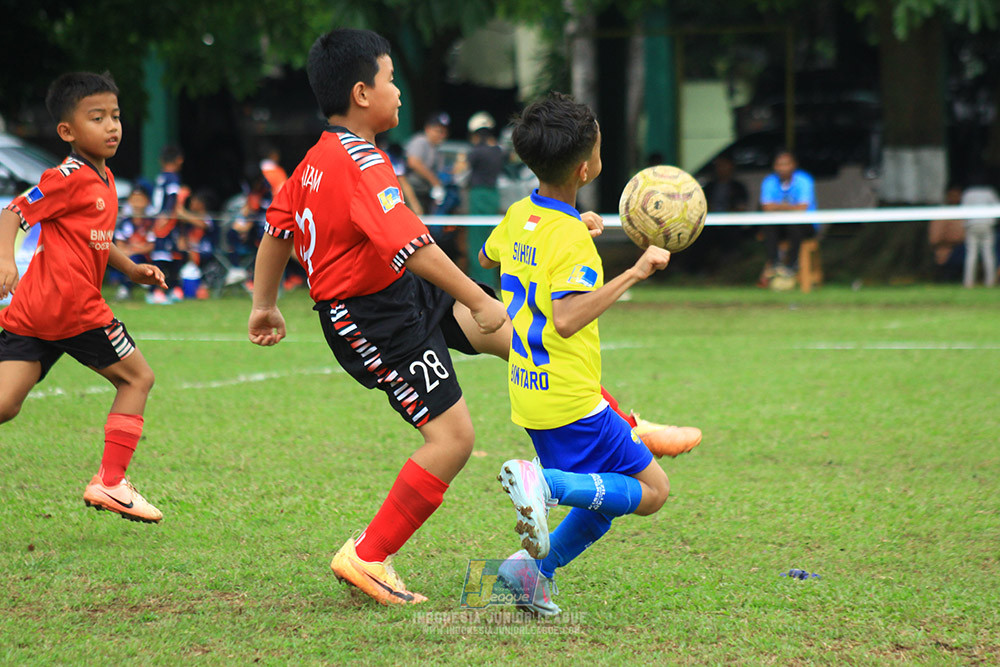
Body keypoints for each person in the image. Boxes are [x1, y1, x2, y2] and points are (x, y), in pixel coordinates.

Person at [247, 29, 698, 607]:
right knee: (453, 439)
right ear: (362, 93)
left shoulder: (317, 159)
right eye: (391, 80)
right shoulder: (362, 164)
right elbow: (413, 246)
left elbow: (276, 231)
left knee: (524, 339)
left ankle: (625, 427)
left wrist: (264, 304)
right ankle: (368, 555)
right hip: (370, 316)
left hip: (400, 291)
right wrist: (479, 299)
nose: (399, 91)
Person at [479, 92, 696, 617]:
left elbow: (489, 256)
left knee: (601, 503)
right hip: (572, 400)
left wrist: (571, 224)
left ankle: (530, 573)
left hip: (529, 391)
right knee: (652, 490)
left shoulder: (521, 214)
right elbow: (568, 317)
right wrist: (634, 272)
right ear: (584, 168)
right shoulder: (572, 240)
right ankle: (544, 484)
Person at [0, 71, 166, 523]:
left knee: (5, 404)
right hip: (74, 309)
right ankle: (111, 482)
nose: (112, 126)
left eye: (115, 116)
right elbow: (12, 212)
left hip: (34, 311)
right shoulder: (67, 177)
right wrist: (6, 261)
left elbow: (95, 239)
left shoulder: (103, 177)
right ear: (67, 131)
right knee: (137, 380)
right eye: (97, 118)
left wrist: (131, 268)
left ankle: (111, 482)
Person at [758, 149, 816, 287]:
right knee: (768, 226)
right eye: (780, 164)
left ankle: (791, 265)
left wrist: (778, 206)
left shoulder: (804, 180)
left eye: (786, 164)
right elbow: (766, 207)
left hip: (805, 226)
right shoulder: (769, 181)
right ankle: (775, 264)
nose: (783, 168)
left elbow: (802, 208)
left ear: (794, 165)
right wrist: (790, 207)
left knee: (794, 225)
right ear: (775, 166)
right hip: (779, 226)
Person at [148, 145, 185, 303]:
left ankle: (171, 288)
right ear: (179, 160)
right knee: (162, 255)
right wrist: (166, 215)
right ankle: (155, 291)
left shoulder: (161, 176)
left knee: (171, 254)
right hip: (164, 222)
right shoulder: (172, 178)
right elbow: (172, 197)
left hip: (155, 218)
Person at [111, 181, 156, 300]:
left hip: (145, 256)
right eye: (134, 199)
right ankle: (125, 288)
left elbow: (151, 246)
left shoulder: (151, 222)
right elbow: (119, 245)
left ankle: (152, 290)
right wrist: (129, 251)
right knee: (123, 259)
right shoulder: (125, 222)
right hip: (129, 255)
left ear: (147, 201)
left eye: (140, 200)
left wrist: (135, 250)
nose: (137, 203)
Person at [405, 111, 450, 215]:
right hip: (411, 190)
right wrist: (434, 181)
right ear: (428, 129)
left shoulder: (438, 149)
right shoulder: (420, 141)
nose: (442, 135)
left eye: (444, 132)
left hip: (426, 193)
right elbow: (413, 162)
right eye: (438, 131)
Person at [960, 176, 998, 288]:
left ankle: (968, 282)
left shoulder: (968, 193)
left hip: (972, 224)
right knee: (988, 253)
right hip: (987, 224)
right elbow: (997, 208)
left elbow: (962, 210)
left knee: (971, 254)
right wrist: (993, 222)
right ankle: (990, 282)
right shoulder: (989, 192)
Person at [927, 184, 965, 282]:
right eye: (953, 195)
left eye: (957, 195)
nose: (955, 198)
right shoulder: (941, 214)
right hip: (948, 250)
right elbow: (935, 238)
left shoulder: (964, 211)